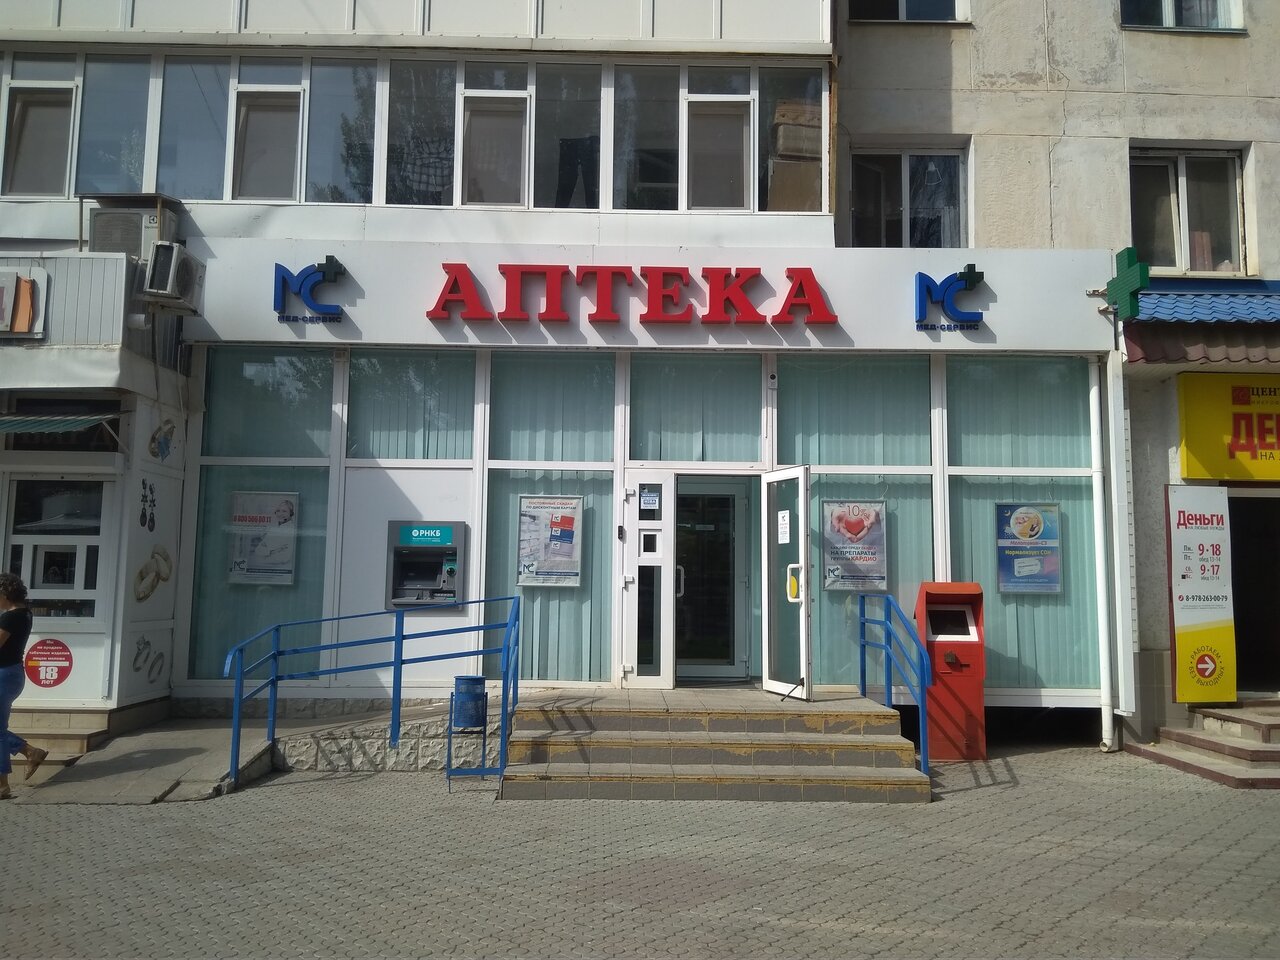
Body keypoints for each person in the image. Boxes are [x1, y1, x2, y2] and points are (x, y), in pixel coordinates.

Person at [1, 572, 47, 799]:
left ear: (4, 594)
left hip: (4, 675)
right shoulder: (25, 613)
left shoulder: (10, 617)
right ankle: (30, 751)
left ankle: (2, 786)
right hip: (12, 674)